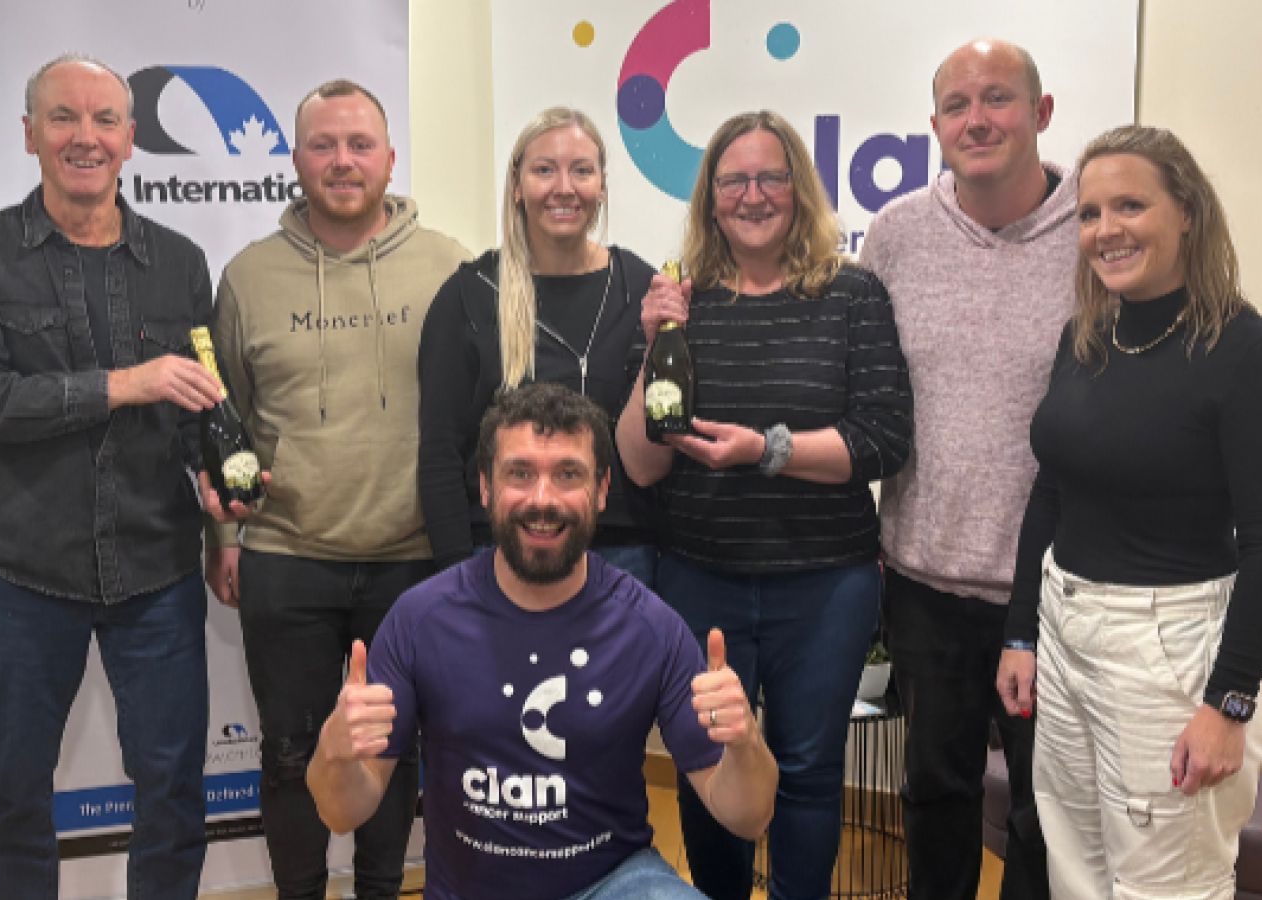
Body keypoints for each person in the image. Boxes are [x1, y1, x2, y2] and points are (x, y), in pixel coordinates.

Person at [996, 125, 1262, 899]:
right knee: (1075, 872)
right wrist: (1021, 631)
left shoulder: (1251, 357)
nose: (1106, 230)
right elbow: (1052, 490)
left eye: (1130, 206)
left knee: (1169, 886)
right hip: (1067, 627)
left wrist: (1227, 706)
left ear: (1188, 213)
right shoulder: (1086, 337)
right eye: (1089, 213)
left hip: (1172, 651)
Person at [308, 382, 777, 900]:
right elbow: (340, 812)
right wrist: (335, 748)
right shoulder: (421, 620)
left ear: (601, 490)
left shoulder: (650, 627)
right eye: (520, 473)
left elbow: (749, 816)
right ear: (486, 487)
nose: (542, 500)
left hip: (612, 883)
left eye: (568, 474)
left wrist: (745, 743)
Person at [0, 55, 219, 898]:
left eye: (103, 120)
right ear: (29, 135)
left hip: (158, 570)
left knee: (173, 788)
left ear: (130, 138)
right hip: (28, 573)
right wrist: (122, 384)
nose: (83, 137)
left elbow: (200, 408)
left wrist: (220, 484)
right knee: (17, 793)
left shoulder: (181, 262)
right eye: (63, 118)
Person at [616, 110, 913, 900]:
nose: (753, 195)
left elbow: (882, 440)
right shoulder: (685, 302)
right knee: (709, 761)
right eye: (734, 181)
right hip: (699, 577)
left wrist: (766, 450)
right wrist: (655, 343)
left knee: (809, 770)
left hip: (826, 583)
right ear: (710, 198)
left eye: (771, 177)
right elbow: (639, 463)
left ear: (799, 188)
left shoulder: (852, 295)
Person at [201, 79, 470, 898]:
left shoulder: (450, 266)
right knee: (290, 756)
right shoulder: (248, 277)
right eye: (324, 145)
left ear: (390, 158)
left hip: (413, 558)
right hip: (287, 556)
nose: (343, 161)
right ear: (296, 159)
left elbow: (478, 412)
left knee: (392, 749)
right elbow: (224, 422)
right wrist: (224, 537)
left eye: (360, 145)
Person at [857, 37, 1072, 899]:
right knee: (935, 795)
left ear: (1041, 112)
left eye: (998, 98)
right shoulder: (897, 234)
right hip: (925, 584)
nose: (977, 120)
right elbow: (865, 390)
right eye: (957, 105)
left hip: (1056, 590)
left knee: (1043, 813)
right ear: (935, 125)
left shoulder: (1092, 229)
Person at [418, 107, 656, 582]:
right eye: (544, 170)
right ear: (516, 185)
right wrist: (456, 577)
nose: (563, 188)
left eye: (581, 171)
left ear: (602, 186)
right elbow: (441, 453)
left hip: (621, 554)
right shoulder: (470, 294)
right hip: (500, 551)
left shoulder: (639, 289)